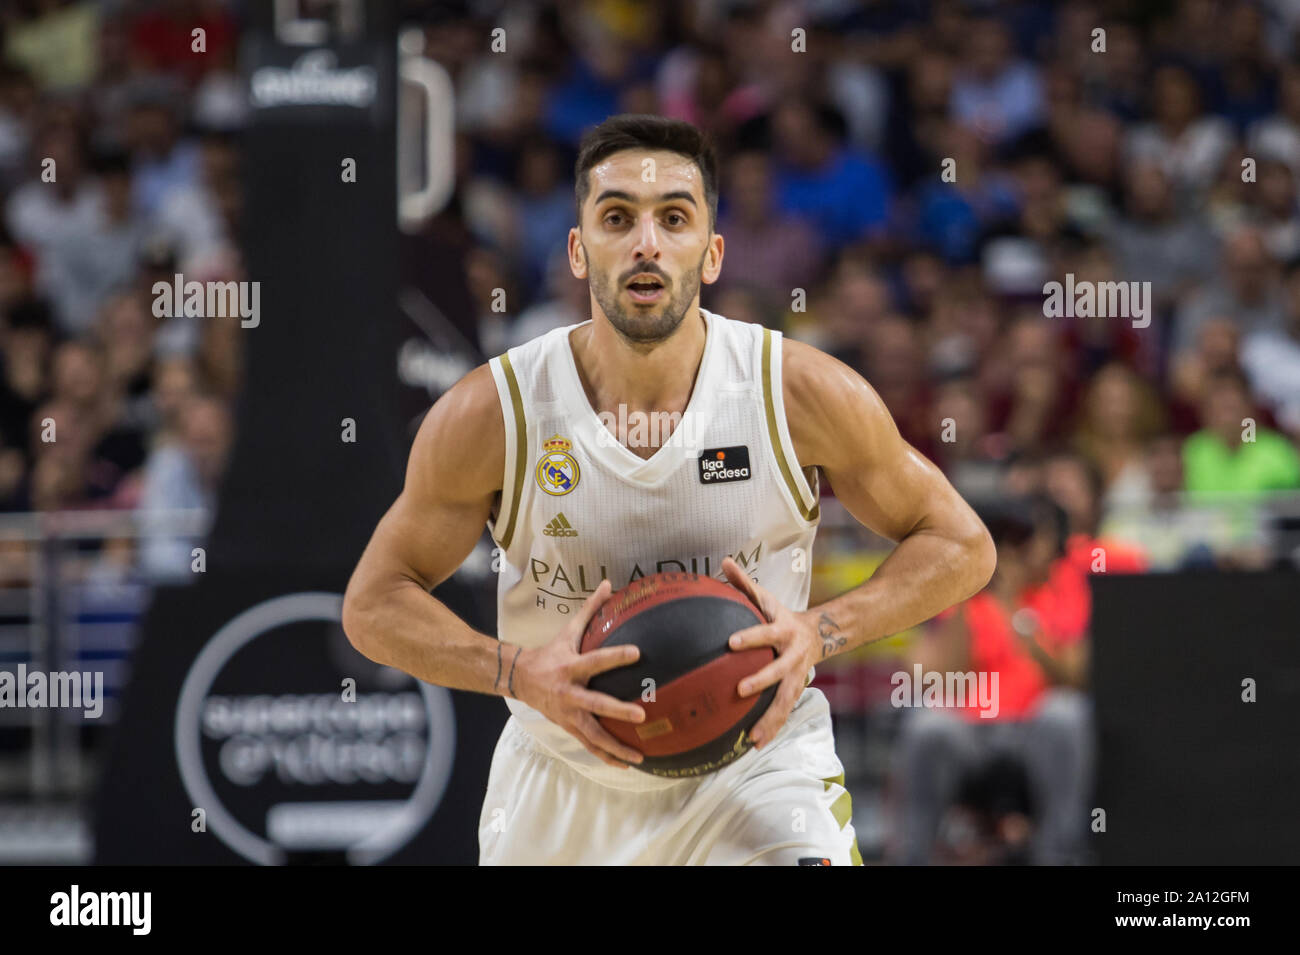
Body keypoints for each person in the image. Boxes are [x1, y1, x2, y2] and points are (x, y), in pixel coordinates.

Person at [343, 115, 995, 866]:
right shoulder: (494, 412)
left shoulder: (798, 391)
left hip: (757, 769)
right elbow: (372, 603)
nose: (646, 242)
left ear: (712, 254)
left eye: (674, 218)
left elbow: (962, 545)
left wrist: (821, 630)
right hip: (563, 787)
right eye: (617, 217)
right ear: (578, 250)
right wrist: (515, 670)